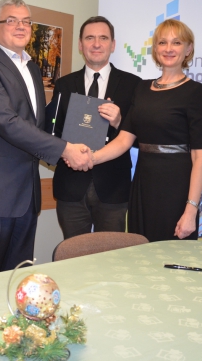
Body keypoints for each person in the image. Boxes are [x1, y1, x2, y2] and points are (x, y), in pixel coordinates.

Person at [0, 0, 92, 273]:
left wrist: (88, 118)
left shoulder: (31, 68)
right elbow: (7, 122)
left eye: (26, 21)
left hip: (27, 195)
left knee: (18, 277)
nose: (20, 26)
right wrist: (65, 149)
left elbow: (35, 122)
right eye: (11, 20)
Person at [86, 19, 202, 242]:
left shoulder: (196, 92)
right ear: (155, 48)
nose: (168, 49)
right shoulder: (142, 88)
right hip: (142, 187)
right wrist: (90, 158)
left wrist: (191, 210)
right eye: (162, 42)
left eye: (176, 42)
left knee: (171, 257)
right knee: (140, 252)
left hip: (176, 189)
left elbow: (199, 157)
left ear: (188, 49)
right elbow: (124, 140)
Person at [49, 16, 141, 239]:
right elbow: (53, 133)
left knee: (110, 255)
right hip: (70, 187)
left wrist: (119, 122)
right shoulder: (63, 84)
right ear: (81, 45)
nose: (96, 44)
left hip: (113, 189)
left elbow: (142, 139)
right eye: (90, 38)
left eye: (103, 38)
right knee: (73, 253)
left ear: (113, 44)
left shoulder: (133, 85)